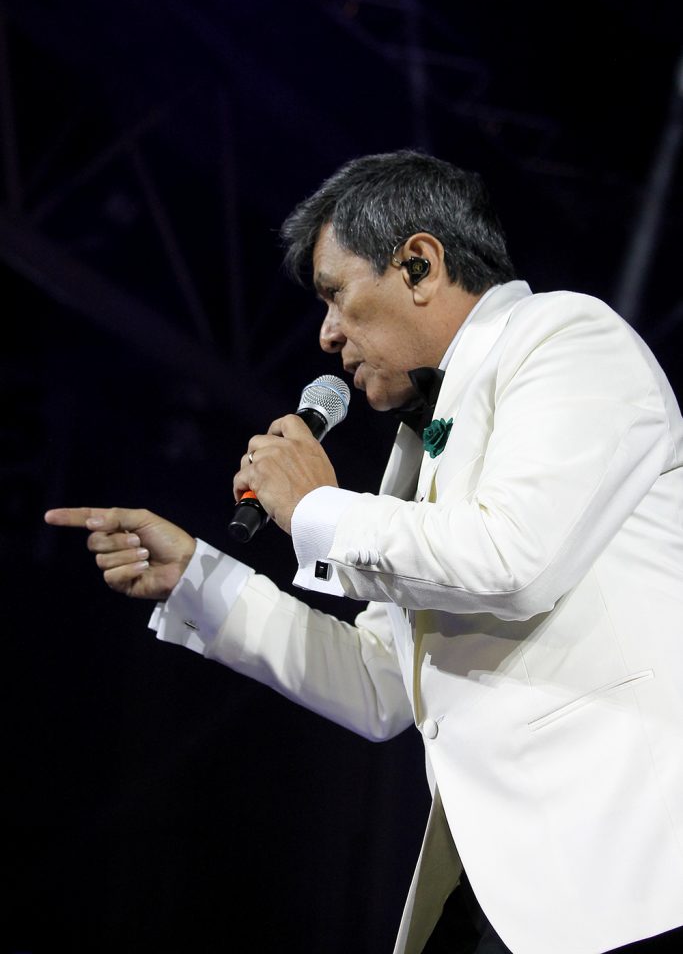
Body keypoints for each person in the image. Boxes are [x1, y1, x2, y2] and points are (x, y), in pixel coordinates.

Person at [45, 151, 683, 954]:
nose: (326, 335)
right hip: (522, 890)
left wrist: (315, 507)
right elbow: (382, 682)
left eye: (334, 295)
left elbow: (511, 560)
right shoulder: (420, 445)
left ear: (419, 264)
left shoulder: (565, 337)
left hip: (634, 872)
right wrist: (197, 579)